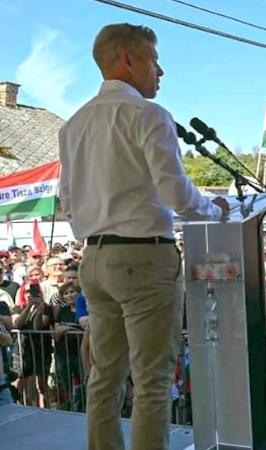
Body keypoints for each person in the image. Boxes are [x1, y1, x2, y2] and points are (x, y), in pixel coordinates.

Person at [59, 23, 229, 450]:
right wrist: (214, 208)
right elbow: (175, 191)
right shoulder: (149, 116)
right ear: (128, 59)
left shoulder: (73, 125)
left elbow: (67, 203)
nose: (161, 70)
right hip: (143, 258)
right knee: (152, 381)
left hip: (94, 259)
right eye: (154, 59)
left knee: (104, 377)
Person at [13, 279, 54, 408]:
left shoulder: (46, 307)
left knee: (41, 384)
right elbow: (17, 323)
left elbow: (38, 326)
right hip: (23, 349)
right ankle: (23, 408)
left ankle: (44, 409)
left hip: (41, 348)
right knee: (21, 383)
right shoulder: (17, 308)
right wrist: (28, 308)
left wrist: (40, 307)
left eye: (33, 292)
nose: (30, 295)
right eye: (27, 292)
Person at [52, 281, 85, 411]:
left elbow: (86, 331)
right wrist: (63, 329)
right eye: (66, 293)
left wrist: (66, 328)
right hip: (62, 354)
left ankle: (83, 408)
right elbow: (56, 333)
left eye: (72, 292)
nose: (69, 295)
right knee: (66, 384)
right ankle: (71, 407)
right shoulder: (63, 310)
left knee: (84, 384)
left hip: (80, 353)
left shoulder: (85, 309)